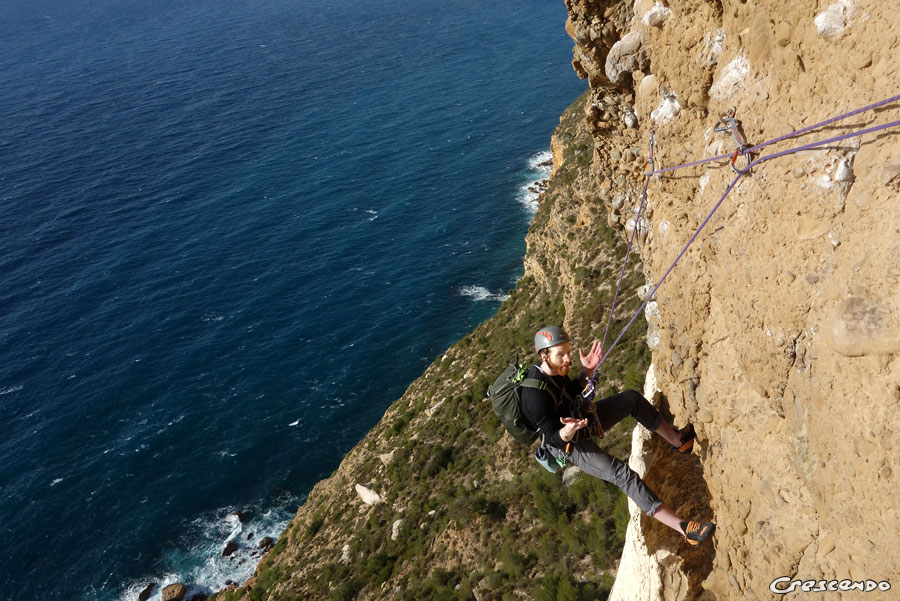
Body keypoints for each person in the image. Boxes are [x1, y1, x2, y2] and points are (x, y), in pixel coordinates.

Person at [520, 325, 715, 546]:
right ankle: (685, 530)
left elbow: (571, 390)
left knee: (630, 399)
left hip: (578, 420)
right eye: (560, 354)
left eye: (568, 352)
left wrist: (587, 372)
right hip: (566, 444)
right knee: (622, 474)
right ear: (544, 356)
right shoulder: (534, 395)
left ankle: (678, 441)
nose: (567, 359)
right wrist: (568, 430)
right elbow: (553, 438)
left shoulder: (556, 371)